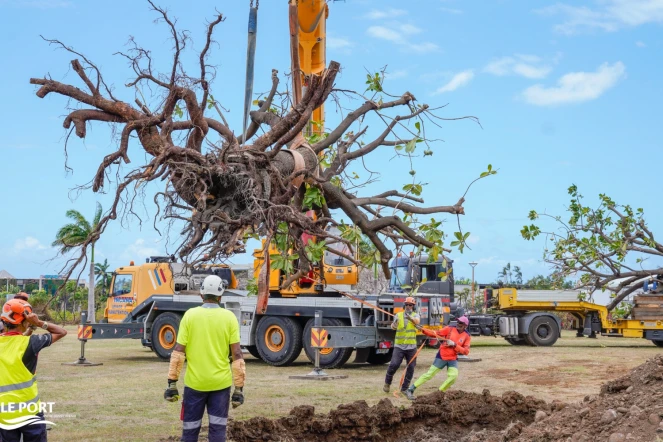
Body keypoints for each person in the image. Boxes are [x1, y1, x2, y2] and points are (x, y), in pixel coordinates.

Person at [164, 275, 245, 442]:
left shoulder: (190, 316)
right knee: (217, 432)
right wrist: (238, 389)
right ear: (220, 296)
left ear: (201, 295)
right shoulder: (229, 317)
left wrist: (172, 383)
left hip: (195, 385)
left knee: (190, 432)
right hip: (221, 385)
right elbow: (237, 354)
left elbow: (179, 351)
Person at [0, 298, 67, 442]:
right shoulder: (31, 343)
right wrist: (39, 323)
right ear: (25, 320)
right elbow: (61, 332)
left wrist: (29, 328)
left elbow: (13, 342)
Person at [405, 316, 471, 400]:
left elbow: (466, 351)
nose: (458, 324)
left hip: (453, 359)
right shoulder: (449, 329)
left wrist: (454, 345)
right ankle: (411, 389)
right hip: (442, 356)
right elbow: (435, 333)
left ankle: (439, 392)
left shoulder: (467, 336)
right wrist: (422, 329)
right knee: (429, 375)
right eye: (458, 322)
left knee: (453, 376)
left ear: (465, 325)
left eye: (461, 323)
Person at [383, 296, 420, 396]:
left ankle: (405, 388)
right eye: (407, 305)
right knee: (394, 364)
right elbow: (393, 327)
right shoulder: (398, 315)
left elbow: (417, 322)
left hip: (411, 347)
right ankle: (387, 382)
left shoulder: (416, 315)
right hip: (399, 346)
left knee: (411, 367)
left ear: (413, 306)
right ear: (404, 305)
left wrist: (411, 318)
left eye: (410, 305)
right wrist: (394, 323)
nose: (408, 306)